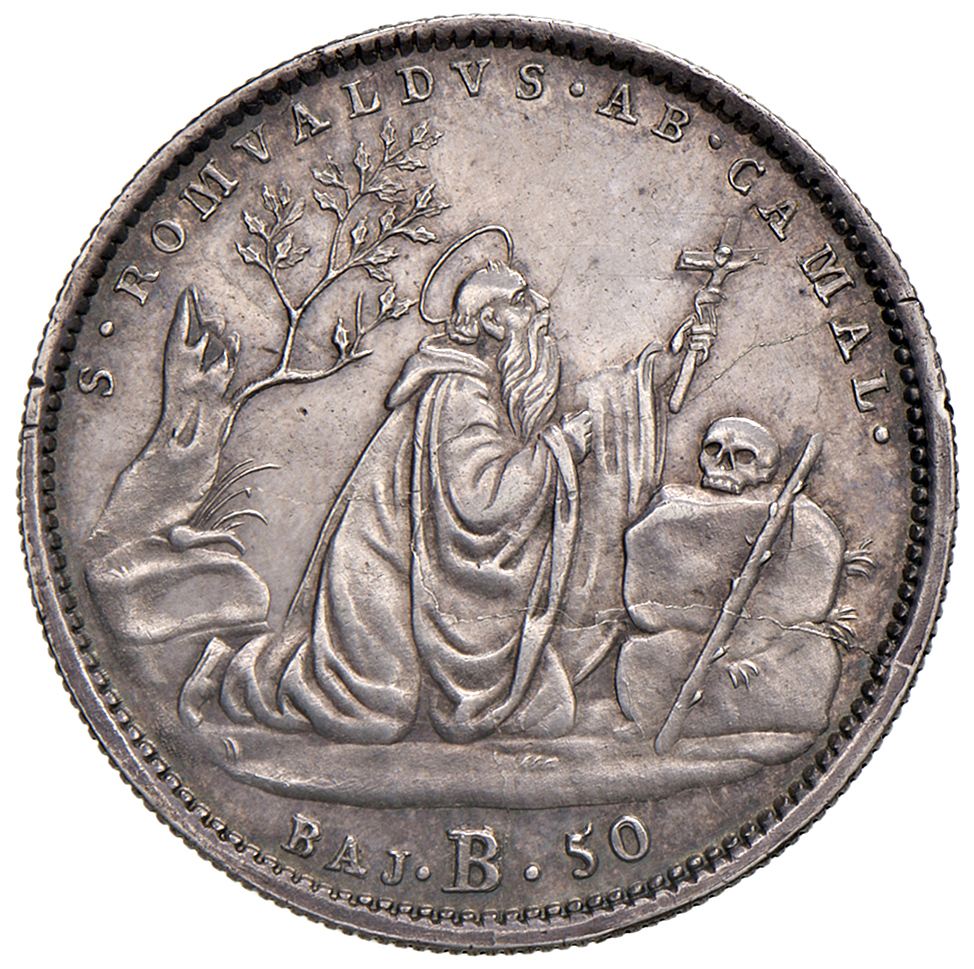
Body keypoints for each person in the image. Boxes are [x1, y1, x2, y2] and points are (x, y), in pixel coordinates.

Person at [187, 259, 712, 744]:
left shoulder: (486, 382)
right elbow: (481, 503)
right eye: (523, 299)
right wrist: (561, 449)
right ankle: (235, 671)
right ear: (492, 322)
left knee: (543, 713)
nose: (542, 305)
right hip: (382, 571)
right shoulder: (458, 391)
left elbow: (586, 405)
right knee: (374, 710)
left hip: (419, 569)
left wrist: (664, 367)